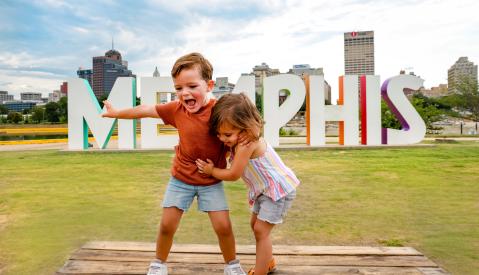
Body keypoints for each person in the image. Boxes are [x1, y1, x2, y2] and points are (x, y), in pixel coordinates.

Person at [102, 53, 246, 275]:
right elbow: (146, 110)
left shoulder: (220, 111)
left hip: (211, 180)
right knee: (167, 225)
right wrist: (116, 113)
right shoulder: (176, 109)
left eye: (191, 86)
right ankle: (158, 264)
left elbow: (241, 130)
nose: (184, 93)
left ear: (209, 85)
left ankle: (232, 266)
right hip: (181, 178)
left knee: (223, 227)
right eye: (178, 88)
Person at [195, 93, 299, 275]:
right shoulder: (241, 138)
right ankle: (268, 262)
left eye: (227, 134)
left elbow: (233, 174)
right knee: (256, 226)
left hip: (277, 190)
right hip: (264, 191)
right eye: (218, 134)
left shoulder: (246, 143)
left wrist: (211, 171)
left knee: (261, 230)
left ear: (245, 127)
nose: (222, 138)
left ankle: (261, 271)